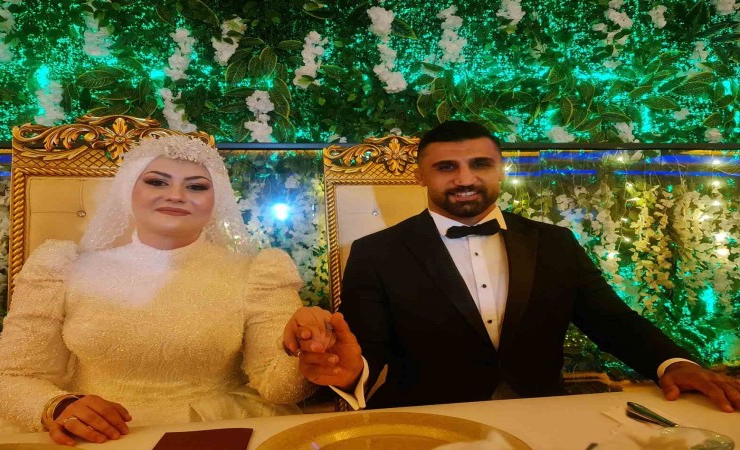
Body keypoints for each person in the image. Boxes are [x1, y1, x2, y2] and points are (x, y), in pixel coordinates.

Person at [290, 120, 740, 412]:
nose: (465, 178)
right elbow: (364, 347)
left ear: (501, 169)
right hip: (431, 420)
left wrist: (671, 363)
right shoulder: (376, 252)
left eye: (479, 164)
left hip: (542, 415)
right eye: (446, 167)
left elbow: (611, 320)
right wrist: (352, 373)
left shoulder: (554, 243)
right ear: (420, 175)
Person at [0, 135, 333, 445]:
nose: (176, 195)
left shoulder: (259, 272)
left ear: (217, 201)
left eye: (196, 187)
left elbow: (280, 388)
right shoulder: (61, 268)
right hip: (95, 436)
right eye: (156, 182)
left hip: (216, 431)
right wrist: (58, 407)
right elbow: (11, 378)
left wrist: (306, 354)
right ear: (127, 191)